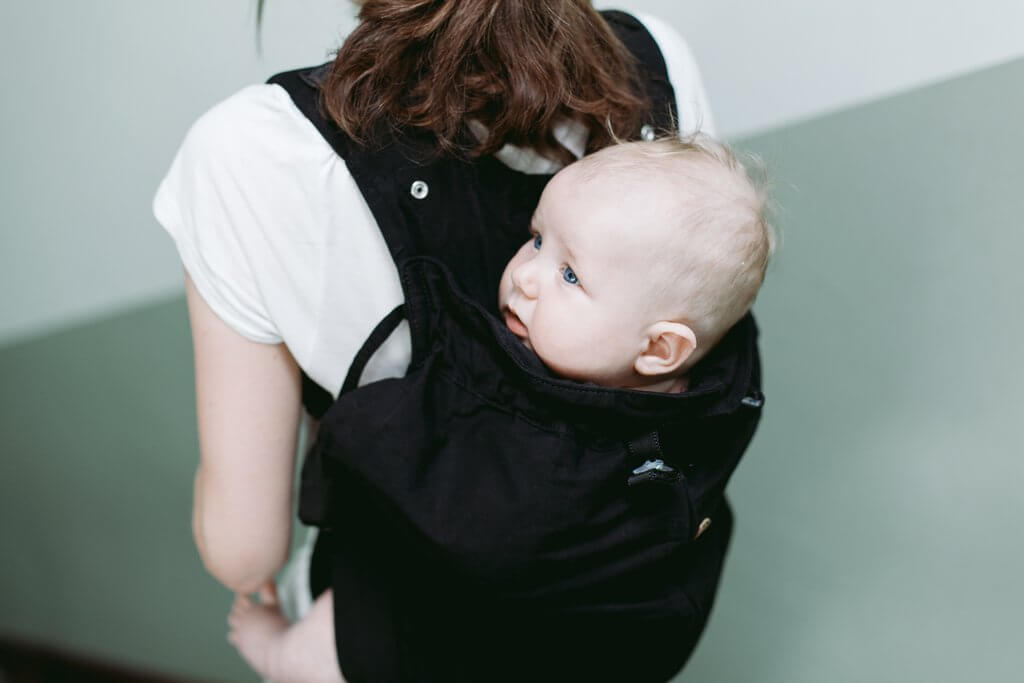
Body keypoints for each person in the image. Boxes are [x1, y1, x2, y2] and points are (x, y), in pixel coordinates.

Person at [154, 1, 737, 681]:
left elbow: (244, 551)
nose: (521, 279)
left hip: (408, 635)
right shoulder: (654, 68)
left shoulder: (257, 152)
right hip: (616, 627)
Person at [224, 135, 773, 683]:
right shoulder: (720, 396)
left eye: (571, 275)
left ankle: (280, 654)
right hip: (589, 646)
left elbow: (375, 453)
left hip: (455, 648)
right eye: (537, 239)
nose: (525, 276)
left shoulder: (547, 460)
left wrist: (341, 442)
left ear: (658, 350)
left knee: (327, 646)